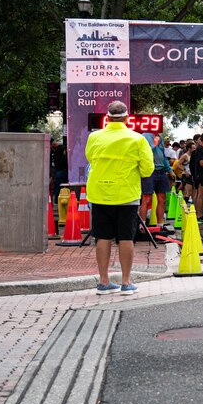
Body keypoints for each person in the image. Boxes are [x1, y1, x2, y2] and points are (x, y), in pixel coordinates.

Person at [85, 101, 154, 296]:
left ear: (107, 117)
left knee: (102, 236)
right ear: (127, 117)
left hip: (99, 194)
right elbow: (148, 169)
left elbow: (90, 158)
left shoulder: (94, 137)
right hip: (126, 194)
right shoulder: (137, 139)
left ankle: (104, 281)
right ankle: (126, 282)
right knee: (126, 237)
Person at [139, 133, 172, 230]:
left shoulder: (159, 137)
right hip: (150, 171)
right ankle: (142, 226)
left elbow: (163, 156)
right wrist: (155, 143)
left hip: (161, 172)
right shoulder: (144, 136)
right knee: (146, 198)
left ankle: (160, 225)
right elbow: (145, 152)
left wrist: (169, 170)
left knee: (162, 199)